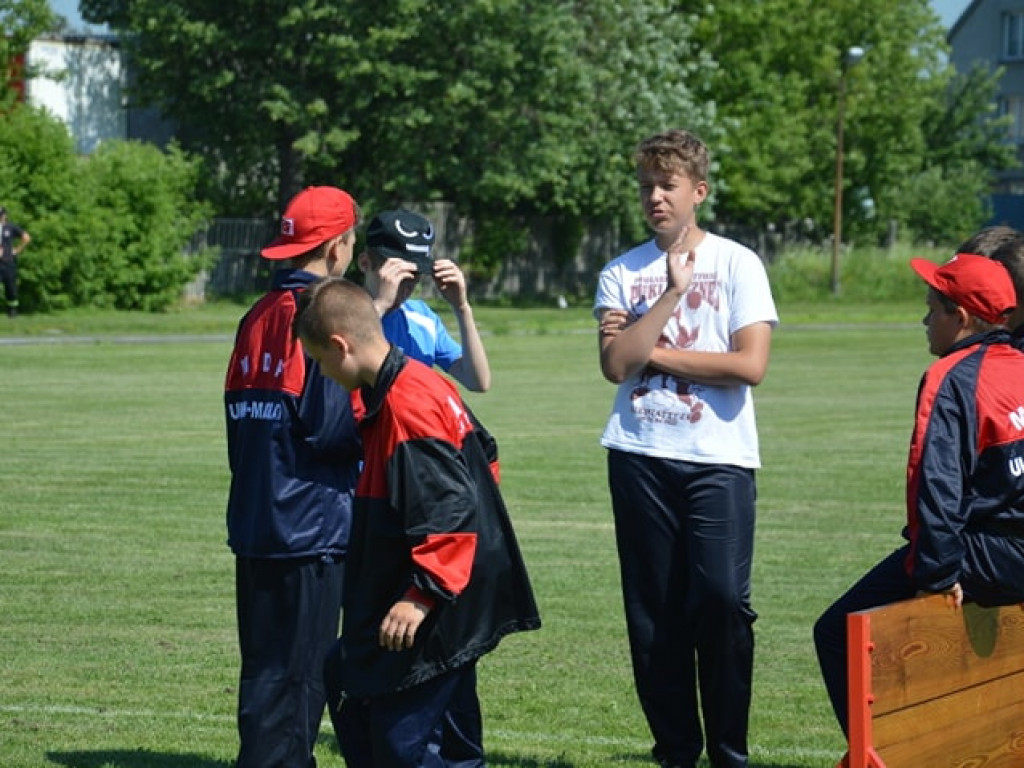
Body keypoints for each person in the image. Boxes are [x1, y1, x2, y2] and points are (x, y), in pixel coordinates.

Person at [293, 276, 540, 767]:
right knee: (424, 723)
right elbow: (484, 460)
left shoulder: (408, 405)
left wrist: (422, 593)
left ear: (341, 346)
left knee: (396, 741)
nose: (320, 373)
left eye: (318, 360)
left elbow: (449, 506)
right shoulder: (422, 383)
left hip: (436, 599)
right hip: (459, 592)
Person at [594, 128, 778, 768]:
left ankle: (730, 752)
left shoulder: (738, 263)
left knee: (723, 602)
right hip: (639, 454)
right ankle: (676, 751)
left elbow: (750, 365)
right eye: (646, 186)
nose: (654, 197)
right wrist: (670, 294)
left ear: (698, 191)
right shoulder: (622, 270)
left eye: (667, 186)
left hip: (718, 460)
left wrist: (653, 350)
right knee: (654, 617)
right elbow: (616, 367)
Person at [813, 252, 1024, 737]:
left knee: (836, 632)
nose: (924, 320)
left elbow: (935, 486)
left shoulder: (950, 378)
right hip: (1007, 552)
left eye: (932, 308)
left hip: (988, 554)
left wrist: (938, 573)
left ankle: (885, 751)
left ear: (962, 318)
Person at [223, 185, 363, 768]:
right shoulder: (322, 316)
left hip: (257, 517)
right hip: (309, 525)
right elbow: (332, 429)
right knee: (300, 676)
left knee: (264, 670)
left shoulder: (256, 314)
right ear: (335, 248)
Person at [357, 208, 491, 392]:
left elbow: (477, 382)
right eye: (398, 272)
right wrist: (380, 306)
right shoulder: (342, 309)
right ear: (365, 263)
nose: (408, 283)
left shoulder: (422, 317)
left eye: (416, 273)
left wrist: (461, 308)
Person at [0, 206, 30, 318]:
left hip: (8, 261)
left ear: (4, 215)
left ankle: (12, 310)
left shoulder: (10, 227)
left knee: (10, 288)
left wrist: (17, 250)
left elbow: (26, 237)